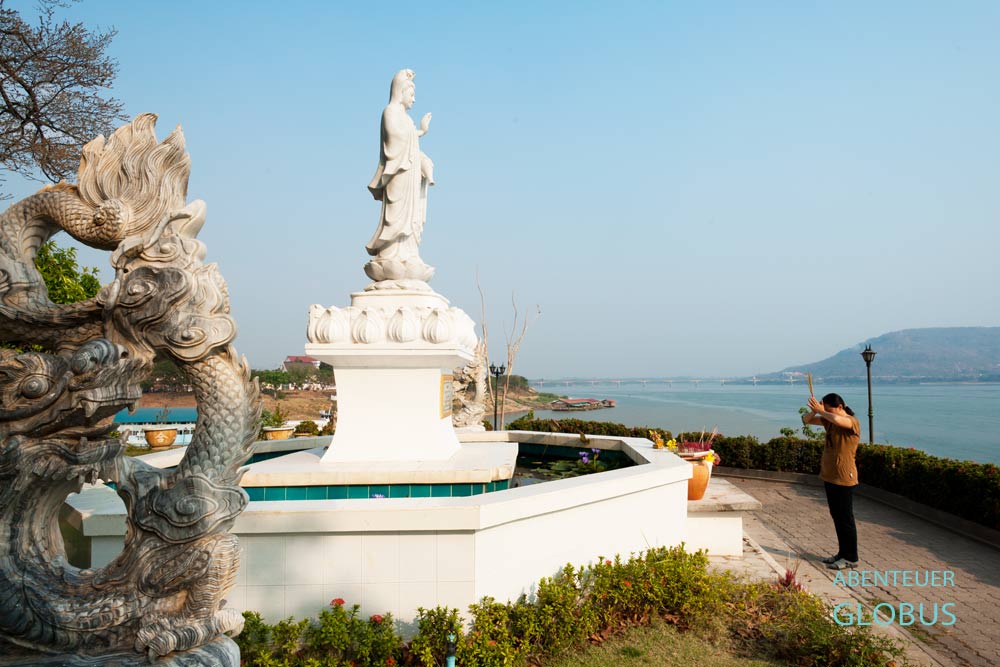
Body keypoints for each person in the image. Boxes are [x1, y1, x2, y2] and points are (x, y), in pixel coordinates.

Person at [365, 68, 435, 283]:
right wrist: (417, 136)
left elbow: (408, 137)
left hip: (410, 174)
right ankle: (390, 255)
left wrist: (420, 134)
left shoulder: (404, 117)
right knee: (397, 214)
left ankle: (408, 255)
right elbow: (395, 137)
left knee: (411, 218)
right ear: (401, 91)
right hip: (399, 173)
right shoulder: (390, 112)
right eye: (411, 94)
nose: (414, 99)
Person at [802, 392, 861, 570]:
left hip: (844, 476)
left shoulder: (851, 422)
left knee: (845, 517)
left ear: (841, 407)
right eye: (825, 410)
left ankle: (851, 557)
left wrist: (823, 411)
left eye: (829, 410)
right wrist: (815, 411)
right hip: (830, 475)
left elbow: (840, 421)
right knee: (837, 516)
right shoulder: (829, 420)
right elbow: (806, 420)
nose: (826, 413)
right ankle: (842, 553)